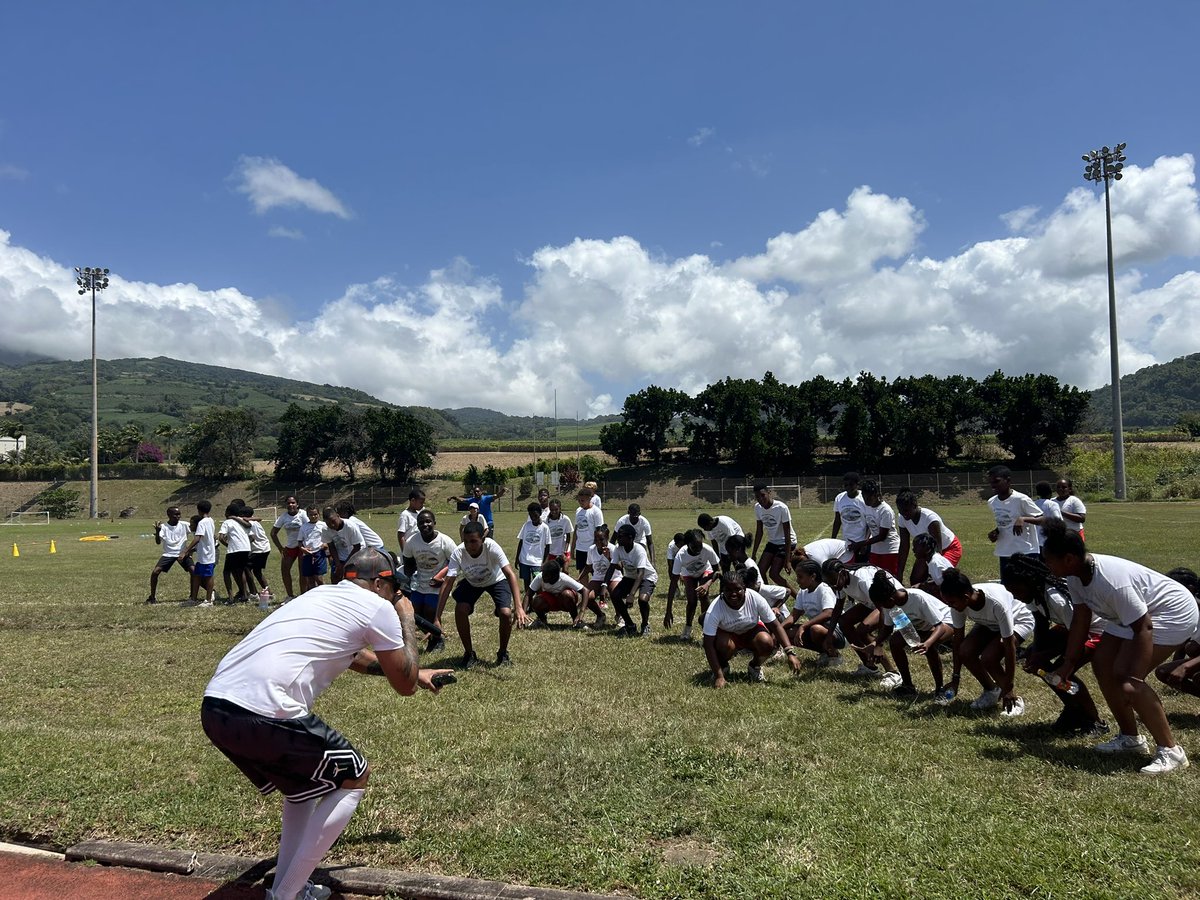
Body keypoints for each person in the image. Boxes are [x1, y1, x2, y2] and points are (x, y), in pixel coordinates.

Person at [200, 547, 451, 900]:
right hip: (265, 707)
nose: (398, 594)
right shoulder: (380, 607)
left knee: (303, 789)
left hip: (217, 706)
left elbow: (355, 658)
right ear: (381, 583)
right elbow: (404, 686)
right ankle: (286, 895)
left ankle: (288, 888)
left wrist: (414, 671)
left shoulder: (320, 594)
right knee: (355, 773)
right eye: (395, 587)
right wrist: (405, 617)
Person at [1043, 531, 1197, 774]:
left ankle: (1171, 751)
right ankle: (1130, 739)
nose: (1047, 565)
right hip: (1128, 615)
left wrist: (1134, 676)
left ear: (1069, 559)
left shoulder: (1111, 582)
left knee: (1127, 681)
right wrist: (1068, 663)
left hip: (1171, 613)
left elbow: (1144, 627)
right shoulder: (1075, 576)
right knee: (1102, 664)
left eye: (1049, 560)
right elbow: (1081, 620)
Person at [1002, 553, 1107, 735]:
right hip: (1071, 627)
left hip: (1097, 630)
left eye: (1017, 591)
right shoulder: (1033, 593)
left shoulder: (1056, 598)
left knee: (1062, 670)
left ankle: (1096, 722)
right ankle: (1072, 708)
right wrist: (1036, 653)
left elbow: (1078, 632)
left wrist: (1045, 655)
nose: (1016, 597)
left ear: (1030, 582)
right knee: (1039, 662)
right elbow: (1041, 623)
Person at [939, 568, 1034, 715]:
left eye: (952, 602)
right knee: (965, 651)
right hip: (990, 624)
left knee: (989, 658)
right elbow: (958, 641)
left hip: (1018, 620)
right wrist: (955, 678)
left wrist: (1008, 687)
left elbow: (1009, 647)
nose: (950, 606)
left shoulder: (996, 604)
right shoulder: (958, 605)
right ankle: (991, 691)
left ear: (965, 597)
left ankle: (1014, 699)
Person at [437, 521, 527, 668]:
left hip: (496, 580)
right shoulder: (458, 553)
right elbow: (447, 583)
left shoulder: (492, 547)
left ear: (483, 539)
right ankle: (469, 654)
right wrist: (437, 617)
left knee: (505, 613)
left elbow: (510, 574)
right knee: (460, 609)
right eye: (466, 541)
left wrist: (518, 607)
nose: (469, 545)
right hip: (472, 582)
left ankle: (503, 654)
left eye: (473, 541)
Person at [703, 571, 803, 687]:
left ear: (744, 588)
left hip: (751, 631)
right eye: (728, 590)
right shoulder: (715, 609)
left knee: (766, 642)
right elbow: (708, 644)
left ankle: (754, 667)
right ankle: (722, 667)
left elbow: (775, 626)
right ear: (722, 591)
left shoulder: (755, 598)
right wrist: (719, 676)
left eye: (738, 589)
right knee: (724, 645)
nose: (733, 594)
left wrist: (790, 652)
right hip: (728, 635)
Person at [867, 572, 955, 698]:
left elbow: (939, 626)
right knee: (894, 642)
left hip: (945, 620)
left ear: (891, 599)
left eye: (882, 605)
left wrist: (927, 643)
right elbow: (887, 628)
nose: (881, 608)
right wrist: (875, 644)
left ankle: (939, 688)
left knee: (929, 647)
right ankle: (908, 685)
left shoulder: (916, 598)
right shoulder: (888, 603)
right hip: (922, 626)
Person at [820, 558, 902, 683]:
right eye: (828, 582)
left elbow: (883, 610)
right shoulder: (840, 581)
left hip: (891, 603)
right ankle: (870, 666)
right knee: (844, 622)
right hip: (872, 603)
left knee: (862, 630)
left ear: (842, 573)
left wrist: (878, 644)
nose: (832, 585)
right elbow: (838, 607)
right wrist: (829, 635)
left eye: (832, 580)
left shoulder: (862, 580)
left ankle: (892, 672)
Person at [401, 510, 457, 651]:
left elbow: (456, 562)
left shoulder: (445, 541)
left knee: (431, 611)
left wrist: (442, 577)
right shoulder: (412, 542)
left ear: (434, 523)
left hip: (438, 585)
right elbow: (408, 563)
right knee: (416, 614)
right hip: (419, 583)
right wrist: (408, 579)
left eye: (428, 521)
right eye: (421, 522)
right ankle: (431, 636)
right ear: (417, 525)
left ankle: (437, 640)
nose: (425, 524)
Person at [779, 559, 846, 665]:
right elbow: (793, 615)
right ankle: (824, 652)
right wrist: (778, 630)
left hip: (836, 631)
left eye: (800, 577)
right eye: (797, 576)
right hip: (815, 629)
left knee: (816, 629)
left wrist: (804, 626)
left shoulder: (823, 589)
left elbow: (829, 612)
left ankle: (834, 655)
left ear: (813, 577)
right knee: (788, 632)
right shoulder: (802, 592)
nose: (797, 580)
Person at [895, 490, 962, 585]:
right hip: (926, 551)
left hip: (948, 548)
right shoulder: (902, 518)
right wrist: (899, 573)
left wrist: (931, 576)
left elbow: (938, 550)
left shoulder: (930, 519)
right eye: (900, 510)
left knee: (940, 581)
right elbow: (904, 546)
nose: (903, 513)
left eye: (906, 510)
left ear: (915, 505)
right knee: (915, 580)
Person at [986, 465, 1042, 580]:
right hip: (1005, 551)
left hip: (1026, 551)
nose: (993, 485)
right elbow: (1005, 522)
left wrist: (1023, 519)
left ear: (1008, 480)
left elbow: (1043, 519)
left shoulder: (1021, 499)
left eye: (996, 481)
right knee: (1008, 589)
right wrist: (996, 532)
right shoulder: (992, 502)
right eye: (991, 482)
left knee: (1030, 586)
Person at [1154, 568, 1200, 699]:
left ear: (1190, 589)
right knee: (1163, 672)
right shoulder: (1186, 612)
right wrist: (1177, 669)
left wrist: (1186, 666)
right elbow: (1182, 644)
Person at [608, 523, 658, 637]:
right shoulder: (618, 548)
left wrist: (631, 595)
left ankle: (645, 624)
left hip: (646, 576)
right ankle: (630, 625)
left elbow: (641, 574)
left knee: (643, 599)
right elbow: (612, 566)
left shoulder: (639, 550)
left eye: (621, 536)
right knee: (615, 595)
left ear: (630, 538)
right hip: (631, 576)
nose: (618, 539)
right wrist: (605, 584)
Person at [671, 528, 721, 641]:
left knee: (703, 596)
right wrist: (668, 609)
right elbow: (673, 582)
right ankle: (687, 628)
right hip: (689, 573)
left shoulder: (707, 550)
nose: (698, 550)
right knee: (692, 601)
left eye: (700, 546)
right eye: (694, 547)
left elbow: (718, 571)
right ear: (687, 544)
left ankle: (707, 628)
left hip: (705, 571)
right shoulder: (681, 555)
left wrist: (707, 584)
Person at [146, 506, 193, 604]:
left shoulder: (185, 525)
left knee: (194, 571)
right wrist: (158, 532)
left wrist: (190, 550)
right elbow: (158, 542)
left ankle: (193, 596)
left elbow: (197, 531)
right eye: (176, 514)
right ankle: (152, 597)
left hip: (182, 553)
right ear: (169, 515)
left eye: (179, 514)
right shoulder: (163, 527)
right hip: (168, 554)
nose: (178, 516)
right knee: (155, 572)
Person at [527, 559, 592, 629]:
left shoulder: (564, 578)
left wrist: (581, 612)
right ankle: (542, 621)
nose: (543, 576)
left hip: (565, 601)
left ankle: (576, 621)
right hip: (551, 601)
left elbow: (585, 591)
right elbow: (528, 594)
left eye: (546, 575)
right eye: (543, 573)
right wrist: (522, 613)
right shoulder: (540, 577)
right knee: (537, 601)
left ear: (554, 576)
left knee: (567, 594)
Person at [750, 484, 793, 587]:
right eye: (757, 497)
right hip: (773, 542)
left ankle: (797, 597)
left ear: (769, 493)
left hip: (784, 542)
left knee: (773, 574)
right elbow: (759, 531)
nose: (760, 499)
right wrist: (754, 553)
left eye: (762, 495)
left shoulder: (781, 508)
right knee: (760, 571)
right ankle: (769, 596)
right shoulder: (757, 508)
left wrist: (787, 561)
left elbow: (788, 536)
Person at [271, 496, 308, 600]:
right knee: (284, 570)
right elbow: (273, 533)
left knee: (302, 571)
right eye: (288, 503)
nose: (290, 505)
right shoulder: (283, 517)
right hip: (291, 546)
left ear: (297, 504)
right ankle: (290, 596)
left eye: (293, 503)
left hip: (303, 546)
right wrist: (280, 548)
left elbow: (311, 527)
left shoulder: (303, 514)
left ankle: (303, 596)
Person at [514, 501, 552, 600]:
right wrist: (517, 558)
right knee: (527, 583)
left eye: (535, 515)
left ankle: (539, 602)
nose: (533, 517)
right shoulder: (526, 525)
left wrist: (545, 562)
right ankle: (529, 603)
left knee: (538, 584)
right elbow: (521, 542)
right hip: (524, 560)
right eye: (530, 515)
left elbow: (547, 546)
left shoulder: (545, 528)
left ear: (539, 513)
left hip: (537, 562)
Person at [861, 480, 900, 576]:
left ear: (876, 495)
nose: (866, 500)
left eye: (868, 497)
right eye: (864, 497)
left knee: (890, 578)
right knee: (875, 576)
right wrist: (865, 542)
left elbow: (882, 536)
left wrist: (861, 544)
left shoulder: (885, 510)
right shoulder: (868, 507)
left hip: (889, 549)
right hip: (875, 549)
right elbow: (870, 525)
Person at [218, 503, 254, 603]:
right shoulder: (243, 521)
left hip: (234, 550)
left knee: (226, 572)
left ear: (228, 512)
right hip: (245, 549)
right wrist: (244, 543)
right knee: (240, 571)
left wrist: (228, 545)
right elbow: (252, 537)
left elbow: (221, 537)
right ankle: (245, 595)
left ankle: (230, 597)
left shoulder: (227, 522)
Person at [831, 472, 870, 562]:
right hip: (846, 542)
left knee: (862, 569)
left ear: (857, 484)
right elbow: (837, 520)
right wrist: (833, 539)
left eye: (851, 484)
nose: (848, 487)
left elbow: (869, 523)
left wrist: (865, 543)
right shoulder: (839, 498)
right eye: (846, 485)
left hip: (861, 542)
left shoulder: (863, 498)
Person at [569, 488, 604, 581]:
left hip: (591, 547)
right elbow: (577, 529)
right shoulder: (578, 511)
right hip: (580, 547)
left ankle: (597, 591)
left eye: (583, 500)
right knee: (582, 571)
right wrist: (573, 548)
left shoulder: (596, 511)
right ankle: (585, 592)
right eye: (579, 500)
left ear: (589, 499)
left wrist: (595, 547)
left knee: (595, 571)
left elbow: (599, 531)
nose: (580, 502)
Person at [583, 525, 622, 609]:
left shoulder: (613, 549)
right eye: (595, 539)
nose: (598, 542)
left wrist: (609, 557)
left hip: (613, 578)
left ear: (607, 537)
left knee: (616, 594)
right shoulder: (591, 549)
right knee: (588, 597)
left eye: (601, 540)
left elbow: (620, 567)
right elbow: (589, 566)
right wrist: (579, 578)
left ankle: (619, 616)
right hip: (597, 578)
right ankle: (600, 616)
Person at [322, 507, 363, 583]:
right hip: (339, 557)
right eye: (328, 523)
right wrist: (338, 565)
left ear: (338, 516)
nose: (332, 525)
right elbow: (331, 546)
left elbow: (357, 547)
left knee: (352, 581)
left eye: (333, 521)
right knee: (335, 578)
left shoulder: (350, 526)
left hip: (354, 556)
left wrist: (345, 565)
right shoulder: (325, 529)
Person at [298, 505, 329, 593]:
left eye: (315, 514)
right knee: (310, 579)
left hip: (319, 553)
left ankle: (323, 594)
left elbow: (330, 538)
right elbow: (299, 541)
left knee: (319, 577)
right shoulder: (304, 527)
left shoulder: (323, 525)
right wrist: (302, 549)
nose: (313, 516)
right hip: (307, 554)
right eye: (311, 515)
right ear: (307, 515)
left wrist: (326, 544)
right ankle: (313, 596)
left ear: (319, 514)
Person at [246, 509, 274, 603]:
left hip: (259, 549)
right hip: (265, 548)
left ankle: (253, 593)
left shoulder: (250, 523)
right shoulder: (255, 521)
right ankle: (268, 592)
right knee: (257, 571)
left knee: (247, 568)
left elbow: (252, 538)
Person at [662, 532, 686, 630]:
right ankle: (676, 589)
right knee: (670, 571)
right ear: (676, 543)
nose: (681, 546)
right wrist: (678, 574)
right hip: (675, 561)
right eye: (679, 545)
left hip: (685, 560)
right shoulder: (671, 547)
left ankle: (687, 590)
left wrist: (683, 574)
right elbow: (670, 563)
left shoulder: (686, 546)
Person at [1030, 481, 1064, 551]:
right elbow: (1058, 522)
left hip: (1035, 543)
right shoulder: (1052, 504)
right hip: (1049, 542)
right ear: (1050, 492)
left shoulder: (1033, 504)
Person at [543, 498, 573, 568]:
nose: (554, 512)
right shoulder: (546, 521)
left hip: (564, 550)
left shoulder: (565, 519)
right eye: (552, 510)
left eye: (556, 509)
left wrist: (564, 551)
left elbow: (568, 536)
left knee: (565, 571)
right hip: (551, 551)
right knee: (552, 572)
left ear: (560, 508)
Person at [395, 488, 426, 555]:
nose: (422, 505)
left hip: (418, 550)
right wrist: (405, 553)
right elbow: (401, 535)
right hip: (409, 550)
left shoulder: (418, 514)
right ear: (412, 501)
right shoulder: (405, 515)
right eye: (421, 503)